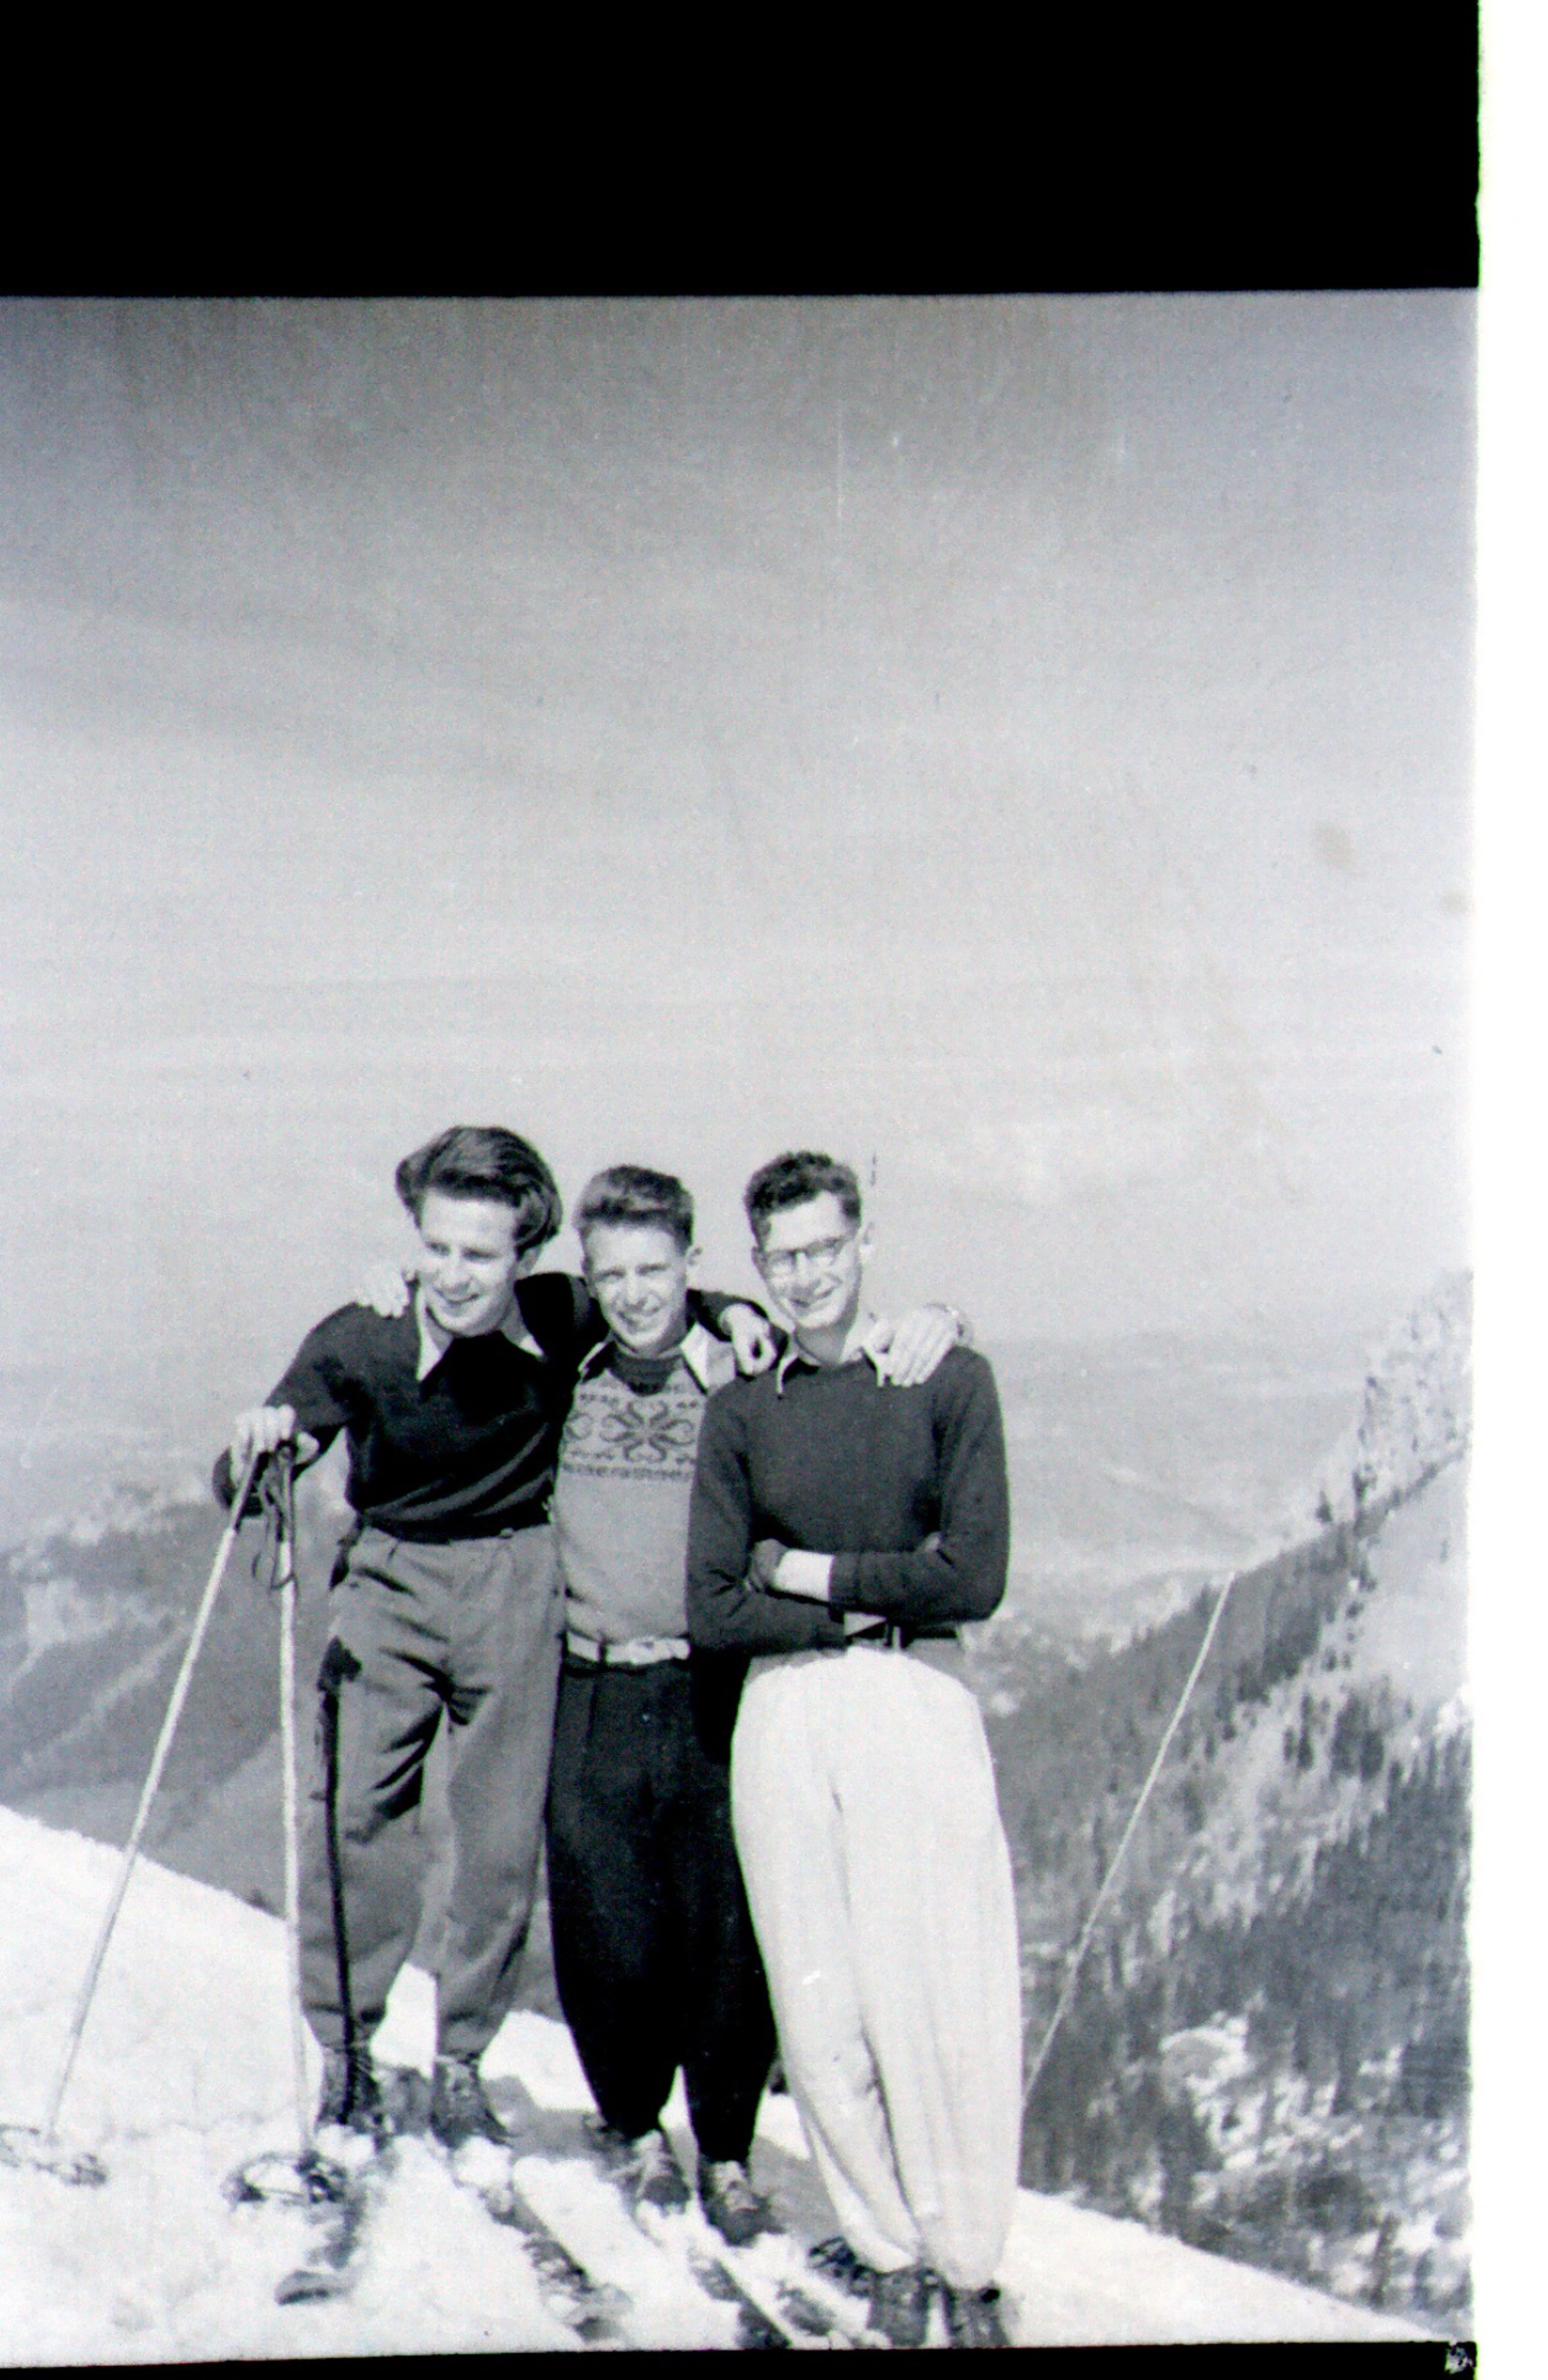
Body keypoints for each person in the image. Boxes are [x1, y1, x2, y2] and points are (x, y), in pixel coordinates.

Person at [214, 1125, 767, 2153]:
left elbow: (668, 1295)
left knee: (499, 1839)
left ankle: (462, 2061)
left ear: (527, 1256)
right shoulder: (365, 1335)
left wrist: (737, 1316)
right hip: (389, 1578)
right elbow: (260, 1462)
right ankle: (347, 2052)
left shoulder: (561, 1314)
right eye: (437, 1247)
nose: (454, 1275)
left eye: (481, 1254)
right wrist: (259, 1447)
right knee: (356, 1817)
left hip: (518, 1577)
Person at [542, 1165, 964, 2248]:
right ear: (587, 1278)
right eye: (610, 1275)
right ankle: (632, 2125)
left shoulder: (744, 1368)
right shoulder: (562, 1370)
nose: (634, 1294)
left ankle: (725, 2150)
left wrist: (939, 1319)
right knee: (604, 1928)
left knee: (730, 1926)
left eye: (655, 1269)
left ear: (693, 1266)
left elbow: (842, 1364)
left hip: (713, 1682)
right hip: (592, 1680)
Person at [685, 1151, 1021, 2349]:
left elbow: (972, 1578)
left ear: (863, 1243)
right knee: (820, 2006)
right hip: (784, 1708)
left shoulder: (946, 1378)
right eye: (782, 1257)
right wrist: (857, 1603)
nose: (806, 1276)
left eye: (826, 1248)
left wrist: (804, 1572)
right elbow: (713, 1605)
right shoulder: (743, 1405)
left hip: (912, 1697)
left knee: (941, 1996)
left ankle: (967, 2265)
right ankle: (885, 2249)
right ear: (758, 1266)